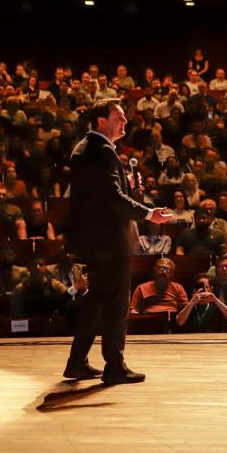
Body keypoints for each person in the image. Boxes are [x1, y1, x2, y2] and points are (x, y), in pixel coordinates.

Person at [63, 98, 171, 385]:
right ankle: (115, 366)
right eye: (119, 117)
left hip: (91, 240)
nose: (125, 122)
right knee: (116, 304)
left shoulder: (81, 149)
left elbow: (100, 195)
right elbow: (112, 198)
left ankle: (76, 363)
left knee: (97, 299)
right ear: (101, 121)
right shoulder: (103, 152)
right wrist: (149, 213)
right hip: (110, 240)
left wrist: (129, 191)